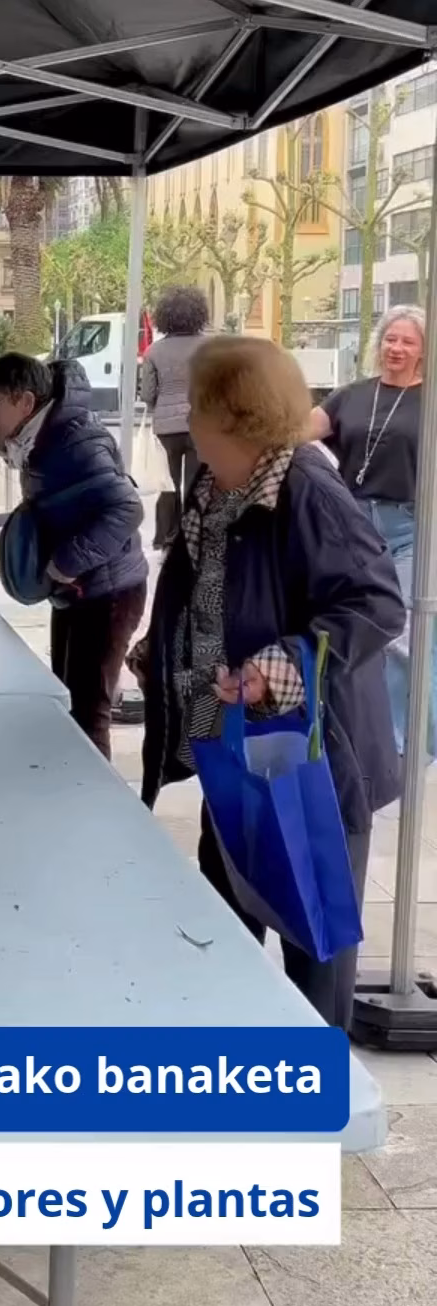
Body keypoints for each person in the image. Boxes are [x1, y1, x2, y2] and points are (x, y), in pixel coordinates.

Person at [132, 335, 404, 1029]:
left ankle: (314, 1088)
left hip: (311, 760)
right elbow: (207, 587)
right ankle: (237, 1067)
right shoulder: (214, 480)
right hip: (232, 752)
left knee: (312, 952)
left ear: (237, 416)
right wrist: (163, 646)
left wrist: (278, 666)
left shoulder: (307, 489)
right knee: (225, 934)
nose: (187, 418)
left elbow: (376, 603)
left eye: (199, 405)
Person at [0, 353, 147, 761]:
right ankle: (73, 785)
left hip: (108, 592)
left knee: (88, 714)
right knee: (69, 701)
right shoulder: (43, 436)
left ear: (25, 401)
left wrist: (65, 563)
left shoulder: (76, 442)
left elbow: (127, 509)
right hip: (77, 590)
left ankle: (93, 797)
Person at [310, 306, 432, 758]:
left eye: (408, 342)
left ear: (424, 351)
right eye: (390, 339)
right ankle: (364, 729)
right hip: (355, 523)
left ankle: (402, 744)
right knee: (353, 622)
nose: (395, 349)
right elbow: (298, 430)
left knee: (401, 630)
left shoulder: (431, 399)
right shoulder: (353, 395)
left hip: (413, 526)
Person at [140, 285, 209, 550]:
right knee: (194, 484)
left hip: (165, 429)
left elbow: (148, 393)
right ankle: (191, 538)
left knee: (167, 484)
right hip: (199, 426)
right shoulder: (209, 347)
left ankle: (165, 538)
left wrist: (161, 404)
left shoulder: (154, 351)